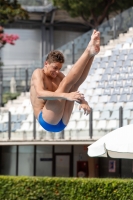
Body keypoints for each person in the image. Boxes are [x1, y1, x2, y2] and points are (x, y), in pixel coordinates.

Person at [30, 30, 100, 132]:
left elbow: (73, 88)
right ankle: (88, 50)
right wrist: (66, 95)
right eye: (55, 68)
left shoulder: (59, 76)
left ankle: (92, 54)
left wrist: (84, 102)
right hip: (46, 120)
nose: (57, 72)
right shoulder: (38, 73)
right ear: (46, 63)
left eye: (59, 69)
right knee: (66, 84)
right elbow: (40, 94)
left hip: (62, 122)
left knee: (74, 85)